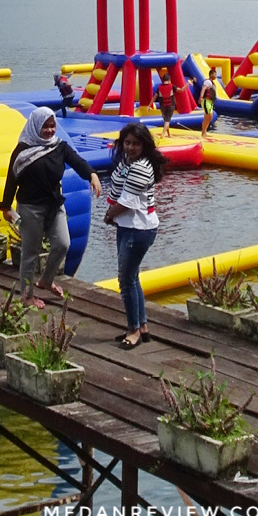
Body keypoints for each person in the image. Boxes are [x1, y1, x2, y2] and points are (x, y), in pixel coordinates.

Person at [1, 107, 102, 309]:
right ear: (35, 126)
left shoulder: (59, 146)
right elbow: (11, 179)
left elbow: (77, 161)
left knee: (63, 244)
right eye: (45, 126)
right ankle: (26, 295)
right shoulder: (22, 150)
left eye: (52, 125)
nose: (49, 130)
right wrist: (6, 206)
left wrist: (92, 174)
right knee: (31, 252)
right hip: (30, 208)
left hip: (55, 206)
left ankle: (46, 280)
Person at [104, 122, 164, 348]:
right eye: (127, 143)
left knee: (126, 280)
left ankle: (133, 330)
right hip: (131, 226)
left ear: (144, 145)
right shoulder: (130, 162)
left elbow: (126, 203)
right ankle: (142, 326)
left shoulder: (140, 167)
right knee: (133, 277)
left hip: (138, 229)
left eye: (136, 144)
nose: (130, 147)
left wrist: (109, 215)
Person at [155, 68, 174, 138]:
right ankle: (163, 134)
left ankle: (168, 134)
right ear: (169, 80)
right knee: (167, 120)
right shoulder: (171, 86)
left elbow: (155, 97)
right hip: (170, 105)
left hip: (163, 106)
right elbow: (180, 90)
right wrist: (187, 84)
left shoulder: (159, 87)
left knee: (166, 120)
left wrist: (149, 105)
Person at [199, 67, 218, 137]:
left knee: (209, 116)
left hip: (210, 101)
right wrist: (201, 97)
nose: (216, 75)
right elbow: (203, 89)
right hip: (206, 101)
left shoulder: (212, 83)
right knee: (208, 116)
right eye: (215, 74)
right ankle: (203, 132)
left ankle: (204, 132)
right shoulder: (208, 82)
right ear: (211, 74)